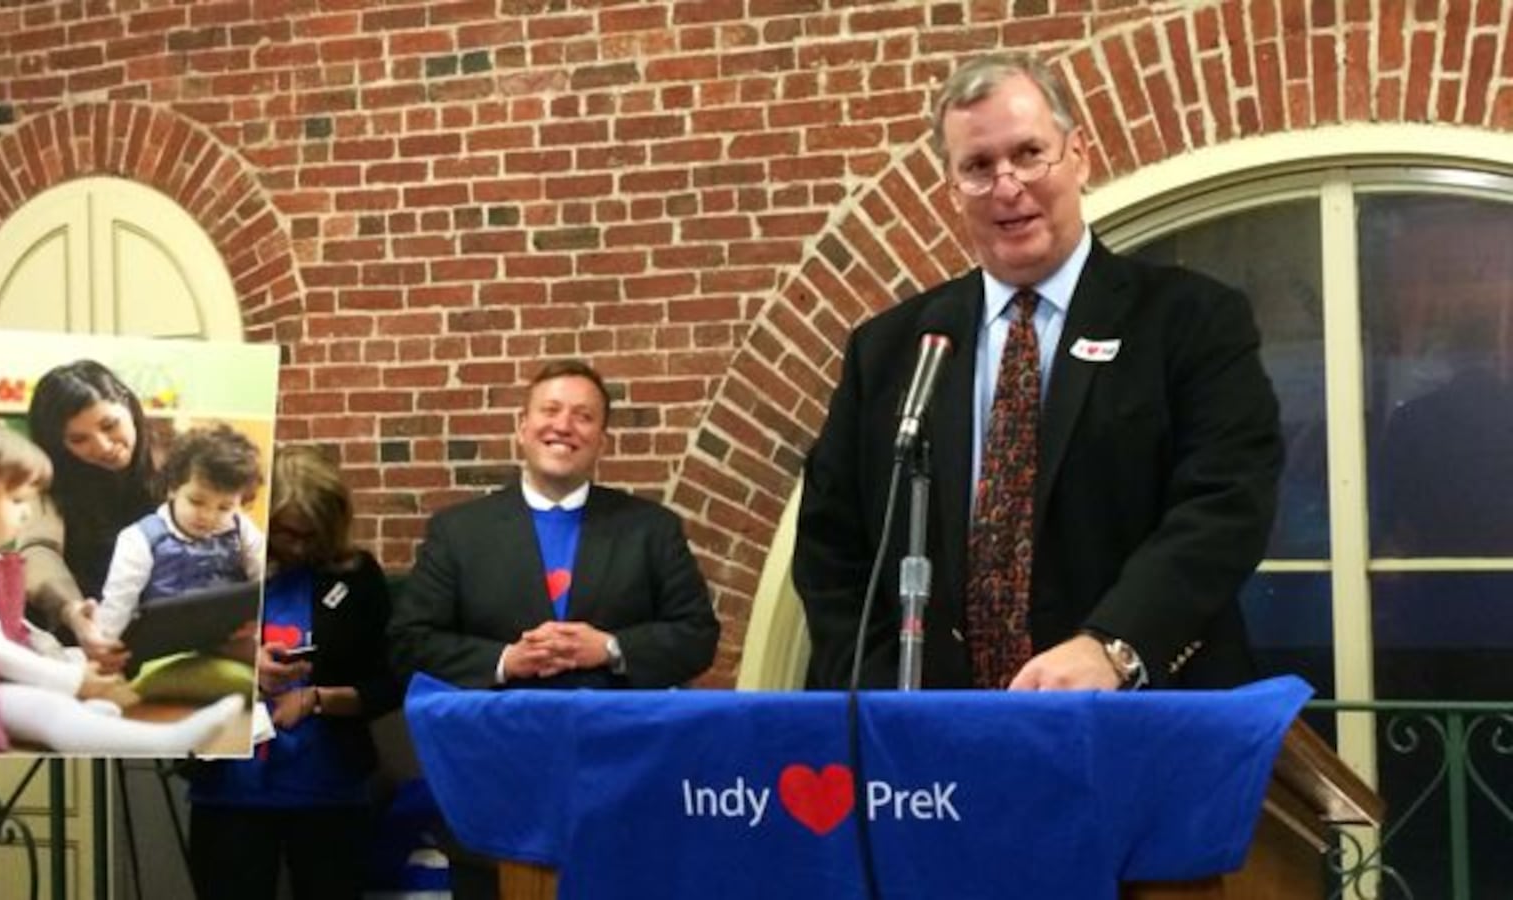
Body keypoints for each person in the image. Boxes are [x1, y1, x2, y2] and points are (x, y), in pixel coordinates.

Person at [793, 52, 1284, 692]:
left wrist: (1114, 646)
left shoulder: (1190, 321)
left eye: (1029, 154)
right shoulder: (892, 350)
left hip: (1139, 724)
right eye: (977, 166)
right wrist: (892, 694)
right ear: (951, 188)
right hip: (936, 754)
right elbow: (832, 548)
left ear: (1077, 155)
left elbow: (1225, 506)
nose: (1006, 186)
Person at [389, 359, 721, 899]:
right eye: (550, 410)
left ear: (601, 440)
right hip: (495, 787)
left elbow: (697, 636)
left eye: (583, 416)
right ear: (521, 427)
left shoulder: (651, 530)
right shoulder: (458, 532)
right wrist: (505, 662)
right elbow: (409, 641)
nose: (563, 425)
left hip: (618, 788)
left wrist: (610, 648)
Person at [0, 413, 243, 754]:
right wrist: (74, 681)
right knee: (48, 711)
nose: (26, 514)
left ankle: (88, 719)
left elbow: (14, 627)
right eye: (16, 501)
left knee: (68, 664)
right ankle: (165, 742)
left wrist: (67, 661)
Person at [186, 445, 401, 900]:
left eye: (312, 535)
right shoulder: (216, 570)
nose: (300, 547)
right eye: (287, 533)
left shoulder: (357, 577)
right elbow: (166, 662)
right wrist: (247, 663)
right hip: (228, 793)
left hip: (329, 792)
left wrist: (314, 699)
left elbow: (388, 684)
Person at [19, 359, 160, 670]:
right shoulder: (50, 483)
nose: (103, 446)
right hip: (76, 641)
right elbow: (38, 550)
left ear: (127, 403)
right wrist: (72, 610)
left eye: (110, 425)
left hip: (158, 632)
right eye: (78, 440)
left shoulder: (175, 469)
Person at [95, 422, 266, 641]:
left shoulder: (241, 528)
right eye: (196, 501)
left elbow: (265, 581)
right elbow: (118, 605)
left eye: (224, 507)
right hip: (167, 642)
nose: (208, 516)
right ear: (173, 487)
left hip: (230, 633)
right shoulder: (140, 538)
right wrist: (104, 649)